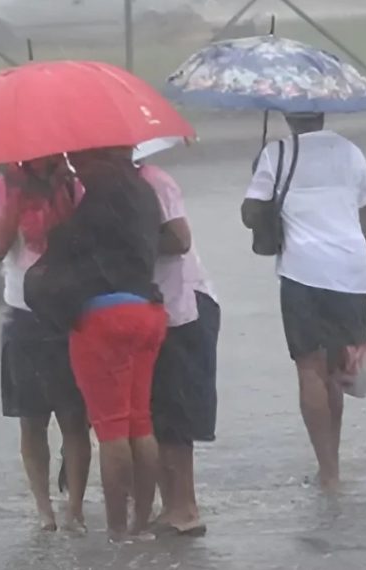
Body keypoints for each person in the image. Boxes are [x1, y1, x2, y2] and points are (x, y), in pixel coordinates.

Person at [241, 112, 366, 493]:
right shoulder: (350, 152)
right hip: (351, 271)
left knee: (310, 369)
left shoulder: (277, 154)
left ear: (288, 116)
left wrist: (259, 173)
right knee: (337, 370)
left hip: (302, 272)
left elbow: (250, 215)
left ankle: (328, 472)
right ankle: (332, 468)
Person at [25, 147, 165, 542]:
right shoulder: (143, 192)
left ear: (97, 161)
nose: (76, 166)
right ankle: (142, 524)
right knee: (141, 423)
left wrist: (58, 206)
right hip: (148, 311)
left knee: (111, 430)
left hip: (104, 318)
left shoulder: (95, 203)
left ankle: (118, 527)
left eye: (81, 160)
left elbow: (58, 252)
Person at [0, 157, 92, 532]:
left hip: (68, 311)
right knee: (32, 420)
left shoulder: (73, 186)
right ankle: (44, 509)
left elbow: (83, 246)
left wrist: (59, 193)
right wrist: (18, 199)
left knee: (75, 418)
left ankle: (74, 508)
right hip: (23, 312)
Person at [137, 160, 220, 536]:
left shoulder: (156, 182)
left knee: (176, 411)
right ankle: (171, 504)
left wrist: (129, 238)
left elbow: (179, 239)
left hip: (184, 306)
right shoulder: (108, 185)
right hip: (153, 309)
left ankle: (184, 507)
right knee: (153, 411)